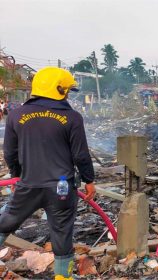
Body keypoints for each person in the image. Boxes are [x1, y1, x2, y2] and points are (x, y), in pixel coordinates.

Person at [0, 66, 96, 280]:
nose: (68, 94)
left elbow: (10, 153)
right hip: (61, 188)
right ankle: (63, 277)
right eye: (67, 90)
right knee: (62, 235)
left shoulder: (16, 115)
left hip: (29, 184)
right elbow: (80, 155)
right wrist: (89, 180)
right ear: (59, 90)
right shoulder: (72, 117)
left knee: (6, 222)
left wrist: (17, 175)